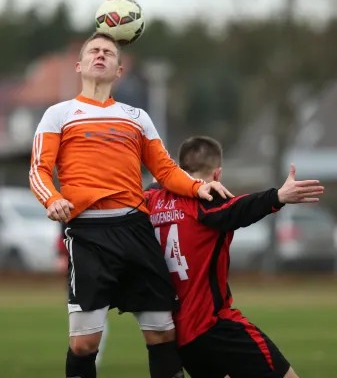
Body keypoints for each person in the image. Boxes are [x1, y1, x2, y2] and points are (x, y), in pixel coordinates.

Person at [29, 32, 232, 378]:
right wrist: (53, 198)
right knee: (84, 344)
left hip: (136, 230)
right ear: (79, 65)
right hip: (89, 235)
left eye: (109, 52)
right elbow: (39, 170)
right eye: (93, 50)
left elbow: (166, 171)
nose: (100, 55)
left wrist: (198, 187)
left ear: (119, 70)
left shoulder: (136, 117)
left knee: (162, 332)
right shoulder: (59, 114)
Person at [145, 136, 324, 378]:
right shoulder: (205, 203)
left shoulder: (152, 200)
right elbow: (240, 209)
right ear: (217, 174)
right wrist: (278, 196)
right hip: (213, 324)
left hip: (178, 334)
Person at [55, 223, 108, 367]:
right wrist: (61, 251)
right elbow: (65, 223)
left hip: (99, 248)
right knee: (85, 309)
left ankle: (91, 354)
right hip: (77, 250)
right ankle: (88, 353)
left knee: (93, 308)